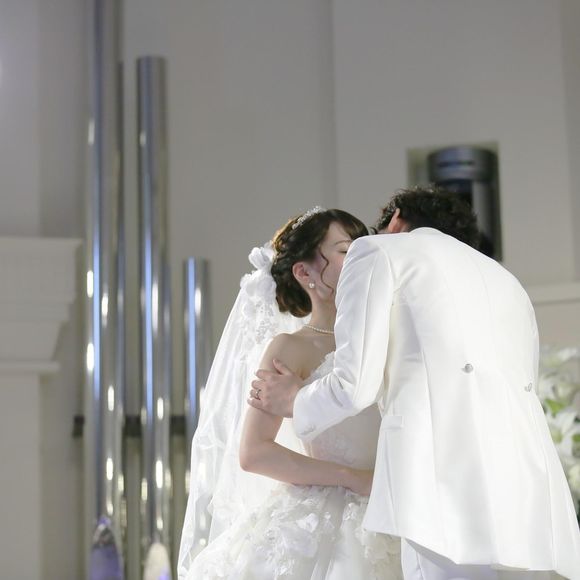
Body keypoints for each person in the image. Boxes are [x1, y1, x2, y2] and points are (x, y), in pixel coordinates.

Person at [250, 186, 580, 580]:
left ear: (395, 222)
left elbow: (354, 385)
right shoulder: (506, 280)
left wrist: (295, 400)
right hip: (524, 487)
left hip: (436, 481)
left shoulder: (378, 252)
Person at [178, 207, 403, 580]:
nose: (362, 260)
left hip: (397, 504)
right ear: (305, 273)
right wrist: (352, 477)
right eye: (346, 250)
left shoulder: (390, 335)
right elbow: (254, 452)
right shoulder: (291, 348)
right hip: (333, 519)